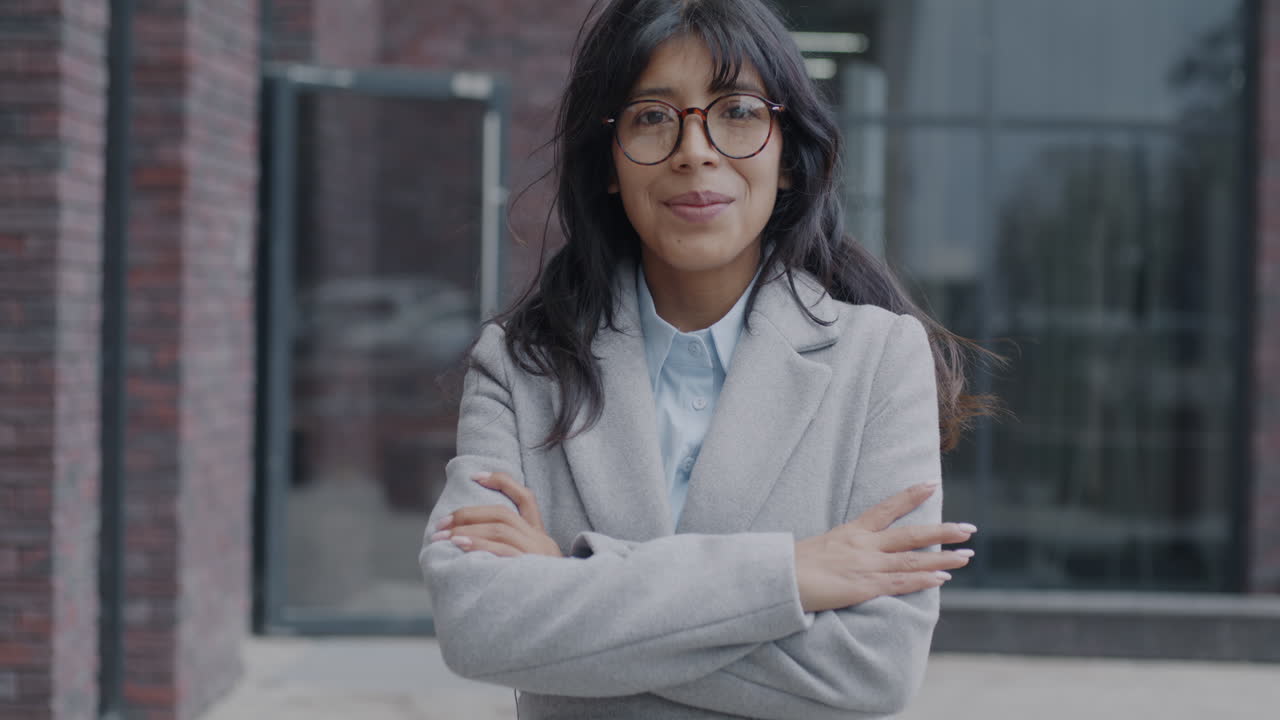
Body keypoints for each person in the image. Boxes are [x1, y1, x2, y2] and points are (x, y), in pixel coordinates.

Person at [420, 0, 998, 717]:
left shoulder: (878, 359)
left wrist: (567, 585)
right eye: (654, 117)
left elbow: (872, 670)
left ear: (788, 158)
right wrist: (786, 577)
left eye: (738, 112)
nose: (696, 150)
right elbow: (479, 626)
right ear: (610, 164)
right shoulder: (521, 366)